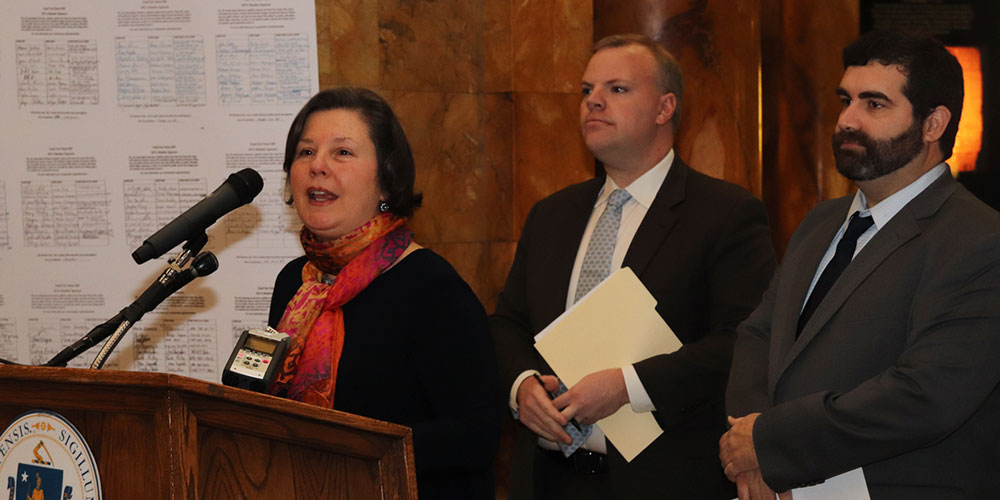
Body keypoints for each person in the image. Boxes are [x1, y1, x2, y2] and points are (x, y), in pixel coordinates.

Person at [491, 34, 776, 499]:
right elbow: (508, 323)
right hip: (546, 478)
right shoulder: (551, 214)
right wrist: (523, 386)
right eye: (587, 90)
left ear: (665, 108)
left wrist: (628, 386)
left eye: (617, 89)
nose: (594, 101)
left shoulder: (725, 214)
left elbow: (742, 343)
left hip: (661, 480)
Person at [721, 30, 1000, 499]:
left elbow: (925, 396)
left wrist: (771, 444)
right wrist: (750, 448)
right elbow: (759, 336)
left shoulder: (980, 240)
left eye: (874, 104)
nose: (847, 120)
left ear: (933, 124)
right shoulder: (820, 221)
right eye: (845, 100)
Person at [267, 87, 500, 500]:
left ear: (387, 184)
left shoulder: (432, 288)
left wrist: (349, 449)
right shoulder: (294, 283)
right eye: (306, 152)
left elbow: (475, 436)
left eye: (342, 152)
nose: (318, 165)